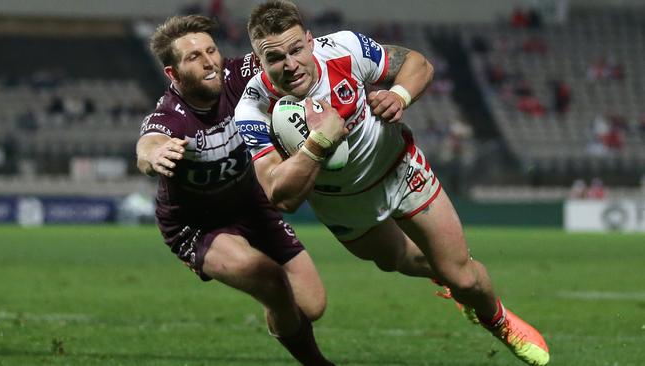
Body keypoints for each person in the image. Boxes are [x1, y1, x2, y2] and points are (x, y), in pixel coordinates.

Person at [234, 1, 550, 365]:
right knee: (395, 260)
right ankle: (449, 277)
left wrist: (398, 95)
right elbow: (280, 196)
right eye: (275, 58)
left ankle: (496, 319)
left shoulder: (344, 49)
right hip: (342, 204)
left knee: (462, 277)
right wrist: (319, 143)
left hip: (399, 170)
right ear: (259, 62)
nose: (290, 64)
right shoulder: (253, 109)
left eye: (295, 49)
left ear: (310, 41)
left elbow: (419, 64)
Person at [136, 15, 334, 365]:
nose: (209, 60)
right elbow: (149, 144)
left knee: (312, 305)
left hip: (251, 206)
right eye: (193, 57)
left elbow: (282, 56)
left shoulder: (236, 73)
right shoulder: (172, 115)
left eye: (210, 50)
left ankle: (277, 310)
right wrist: (155, 154)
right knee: (271, 281)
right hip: (196, 226)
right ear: (173, 73)